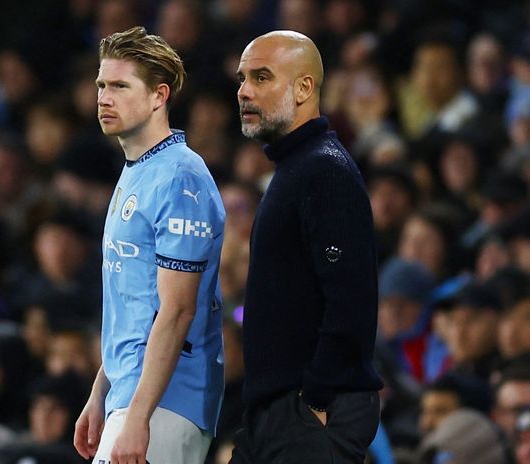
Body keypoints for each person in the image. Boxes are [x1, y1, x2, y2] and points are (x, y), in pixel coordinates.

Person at [73, 26, 226, 464]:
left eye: (120, 86)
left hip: (167, 401)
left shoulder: (180, 179)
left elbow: (176, 310)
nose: (104, 97)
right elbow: (135, 304)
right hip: (133, 393)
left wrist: (138, 416)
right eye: (101, 84)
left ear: (159, 96)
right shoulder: (138, 170)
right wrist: (101, 391)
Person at [230, 30, 382, 463]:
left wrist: (315, 399)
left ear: (303, 88)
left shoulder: (323, 170)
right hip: (277, 411)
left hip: (309, 410)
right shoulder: (298, 168)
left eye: (261, 77)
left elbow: (351, 298)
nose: (244, 91)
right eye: (242, 79)